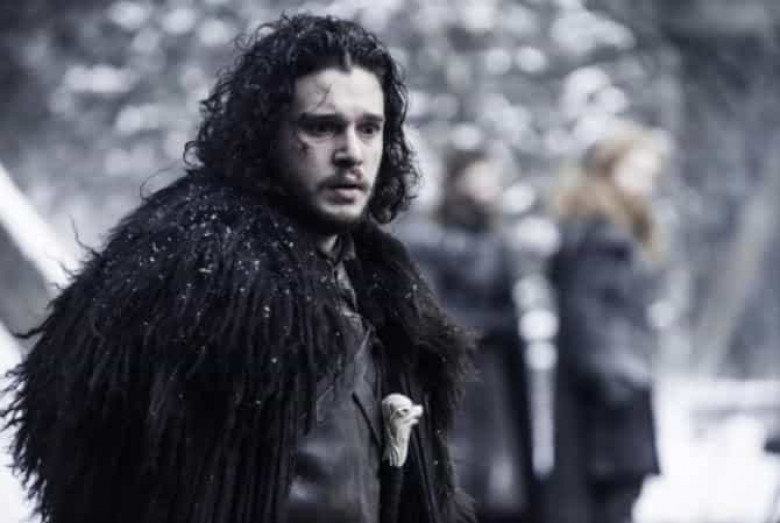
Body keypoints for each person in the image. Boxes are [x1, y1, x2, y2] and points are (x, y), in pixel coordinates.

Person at [3, 14, 475, 523]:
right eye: (321, 127)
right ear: (267, 133)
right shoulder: (191, 274)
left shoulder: (387, 297)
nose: (351, 153)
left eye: (369, 129)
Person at [399, 148, 536, 523]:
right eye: (479, 177)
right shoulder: (434, 238)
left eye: (491, 178)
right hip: (456, 372)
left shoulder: (493, 235)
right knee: (463, 469)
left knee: (496, 477)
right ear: (458, 181)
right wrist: (489, 323)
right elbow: (433, 313)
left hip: (494, 371)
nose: (488, 187)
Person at [545, 122, 667, 523]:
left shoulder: (616, 233)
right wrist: (623, 378)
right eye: (637, 171)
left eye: (651, 174)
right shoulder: (600, 238)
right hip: (607, 408)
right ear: (608, 170)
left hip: (612, 402)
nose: (647, 183)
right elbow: (588, 322)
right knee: (604, 506)